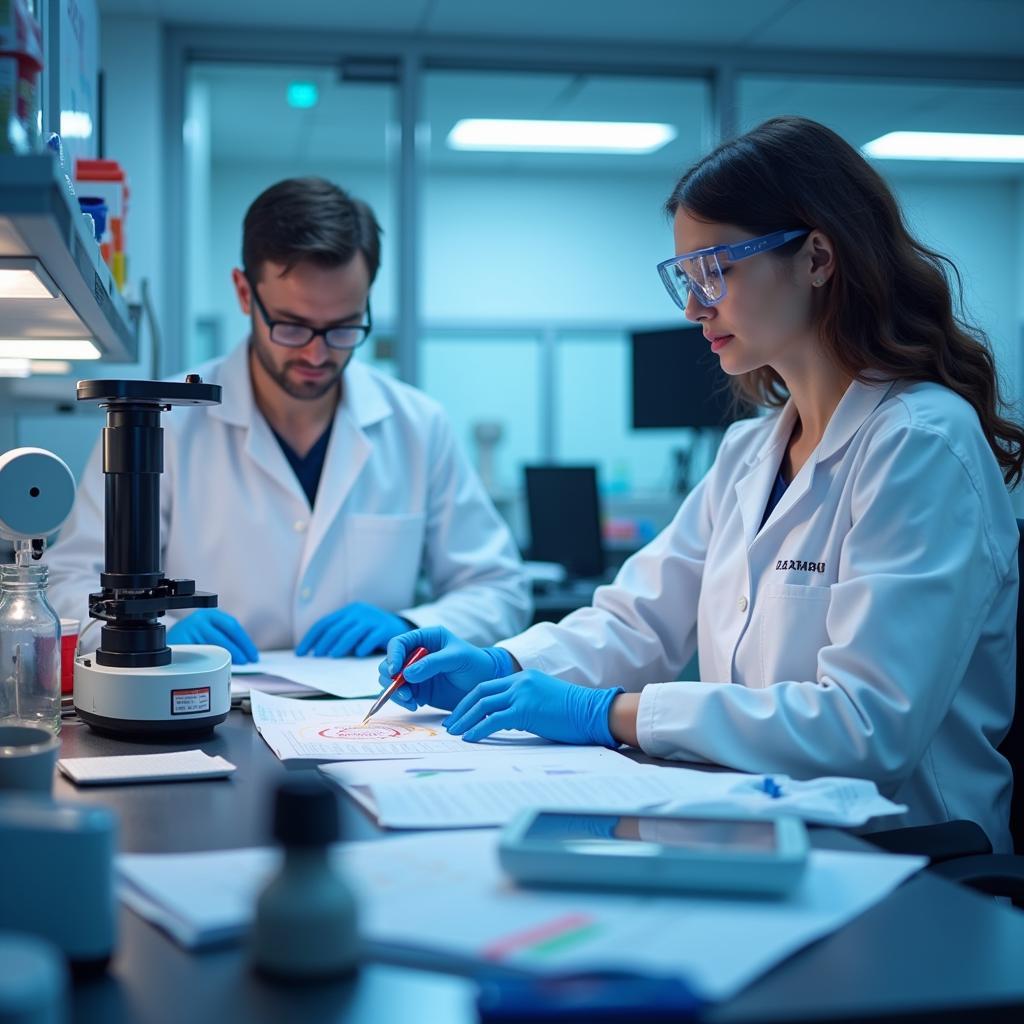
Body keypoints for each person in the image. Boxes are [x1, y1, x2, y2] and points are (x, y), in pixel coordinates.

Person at [379, 116, 1023, 853]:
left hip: (907, 857)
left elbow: (866, 726)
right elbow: (639, 620)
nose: (693, 307)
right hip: (754, 830)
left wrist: (609, 714)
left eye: (715, 271)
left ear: (816, 257)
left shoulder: (920, 441)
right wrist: (503, 663)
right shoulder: (750, 451)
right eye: (685, 279)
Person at [48, 177, 530, 662]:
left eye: (343, 327)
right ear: (243, 292)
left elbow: (499, 589)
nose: (317, 353)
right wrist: (160, 630)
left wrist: (410, 626)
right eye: (292, 326)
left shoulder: (418, 427)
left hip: (372, 719)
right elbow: (71, 583)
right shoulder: (162, 425)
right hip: (202, 702)